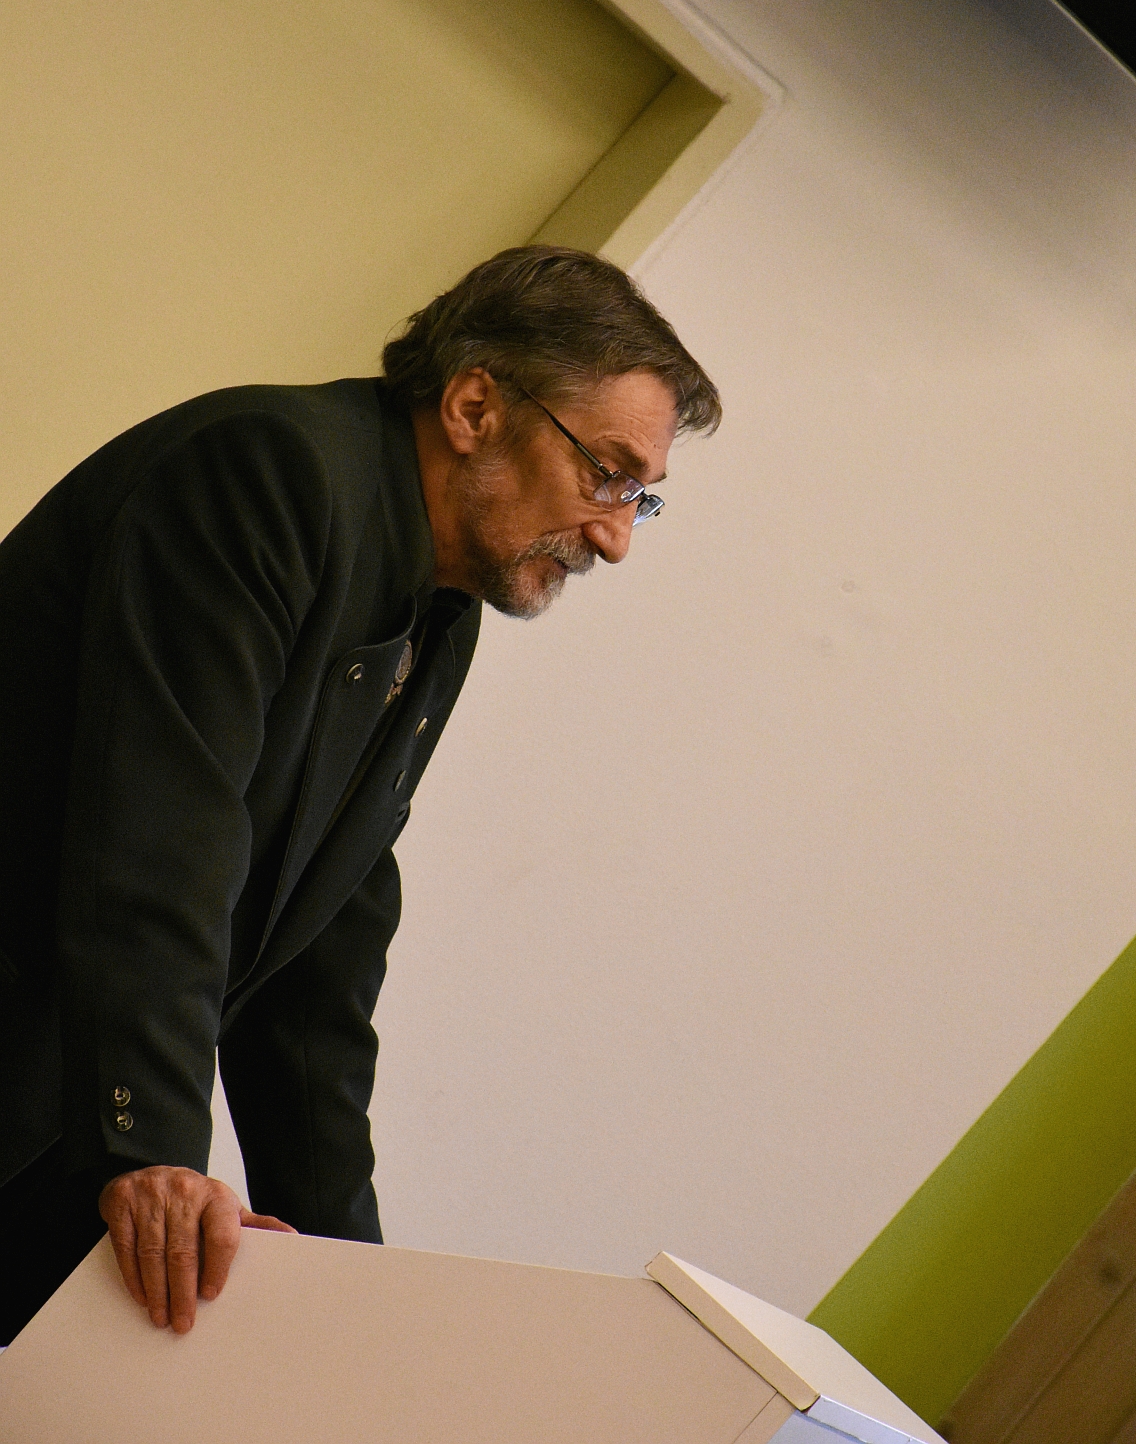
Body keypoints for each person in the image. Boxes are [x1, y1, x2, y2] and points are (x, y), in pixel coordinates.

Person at [0, 244, 720, 1344]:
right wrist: (154, 1152)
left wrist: (354, 1286)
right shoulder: (271, 473)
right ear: (474, 407)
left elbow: (322, 947)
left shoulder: (440, 607)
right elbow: (161, 838)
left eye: (639, 498)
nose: (616, 537)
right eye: (606, 474)